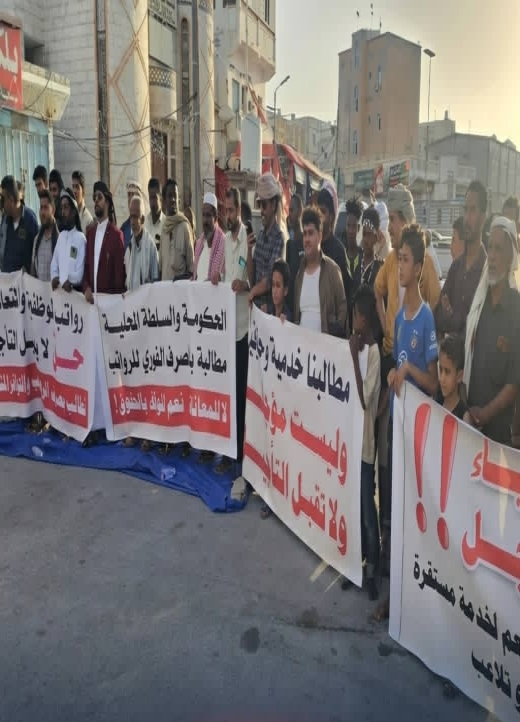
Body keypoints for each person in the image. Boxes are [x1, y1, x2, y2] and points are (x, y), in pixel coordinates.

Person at [374, 185, 440, 574]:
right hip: (399, 421)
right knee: (393, 492)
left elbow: (431, 382)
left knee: (415, 499)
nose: (399, 266)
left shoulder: (426, 317)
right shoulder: (398, 319)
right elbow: (397, 363)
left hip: (419, 428)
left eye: (405, 260)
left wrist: (408, 372)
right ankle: (392, 565)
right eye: (398, 259)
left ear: (419, 268)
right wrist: (393, 376)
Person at [464, 216, 520, 446]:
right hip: (470, 426)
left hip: (498, 437)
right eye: (491, 248)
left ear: (511, 256)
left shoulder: (516, 309)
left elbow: (513, 384)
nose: (493, 256)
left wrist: (484, 414)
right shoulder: (479, 305)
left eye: (499, 249)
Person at [214, 187, 249, 480]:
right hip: (226, 328)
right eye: (225, 210)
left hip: (243, 329)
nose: (228, 214)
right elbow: (226, 277)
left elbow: (250, 278)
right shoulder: (225, 240)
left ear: (239, 209)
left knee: (241, 395)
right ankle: (230, 452)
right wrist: (218, 279)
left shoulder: (248, 239)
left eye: (231, 210)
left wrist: (244, 284)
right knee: (229, 394)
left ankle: (240, 456)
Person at [349, 285, 381, 601]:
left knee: (367, 510)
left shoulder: (372, 355)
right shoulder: (359, 347)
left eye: (356, 316)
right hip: (351, 442)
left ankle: (373, 568)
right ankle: (357, 565)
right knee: (356, 508)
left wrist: (351, 355)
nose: (353, 321)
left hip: (365, 446)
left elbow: (363, 398)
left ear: (364, 319)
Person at [258, 258, 292, 521]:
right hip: (267, 389)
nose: (275, 291)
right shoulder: (265, 312)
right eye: (273, 285)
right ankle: (268, 495)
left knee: (283, 447)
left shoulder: (289, 318)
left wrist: (285, 326)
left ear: (286, 290)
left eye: (279, 286)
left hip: (284, 394)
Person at [434, 181, 487, 338]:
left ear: (483, 217)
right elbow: (438, 316)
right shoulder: (456, 267)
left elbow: (480, 329)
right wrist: (448, 315)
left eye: (472, 210)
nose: (466, 218)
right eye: (465, 210)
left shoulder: (487, 271)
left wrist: (452, 317)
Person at [293, 207, 347, 337]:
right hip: (301, 346)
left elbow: (342, 309)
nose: (307, 239)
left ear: (320, 236)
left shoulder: (332, 270)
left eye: (311, 233)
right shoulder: (299, 274)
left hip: (325, 347)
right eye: (305, 234)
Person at [247, 172, 286, 308]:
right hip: (256, 308)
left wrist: (252, 292)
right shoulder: (261, 234)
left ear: (273, 205)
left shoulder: (279, 238)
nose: (261, 210)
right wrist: (249, 250)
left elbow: (270, 279)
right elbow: (252, 277)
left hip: (269, 311)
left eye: (264, 205)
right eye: (259, 204)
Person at [83, 180, 125, 301]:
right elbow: (86, 268)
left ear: (107, 202)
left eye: (99, 197)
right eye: (94, 197)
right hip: (91, 304)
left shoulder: (116, 235)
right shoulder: (90, 233)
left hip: (109, 305)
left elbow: (119, 279)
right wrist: (86, 287)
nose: (96, 200)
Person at [0, 175, 38, 273]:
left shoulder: (30, 220)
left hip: (24, 280)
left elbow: (37, 253)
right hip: (6, 279)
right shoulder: (5, 219)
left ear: (11, 200)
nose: (1, 203)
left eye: (3, 199)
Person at [51, 188, 87, 292]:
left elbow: (80, 274)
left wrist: (68, 279)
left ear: (74, 212)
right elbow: (54, 263)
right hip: (60, 295)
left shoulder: (81, 239)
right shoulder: (61, 236)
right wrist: (54, 276)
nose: (62, 212)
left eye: (66, 208)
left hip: (74, 295)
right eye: (61, 208)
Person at [316, 185, 349, 297]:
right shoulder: (312, 246)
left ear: (331, 216)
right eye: (317, 211)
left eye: (323, 212)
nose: (319, 217)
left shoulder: (338, 251)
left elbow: (344, 294)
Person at [159, 178, 194, 282]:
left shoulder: (184, 227)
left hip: (180, 290)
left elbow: (192, 270)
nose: (173, 199)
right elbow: (161, 268)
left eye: (175, 196)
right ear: (164, 201)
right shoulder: (164, 229)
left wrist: (179, 280)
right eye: (170, 196)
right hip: (165, 289)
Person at [124, 195, 159, 291]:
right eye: (131, 217)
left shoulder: (151, 247)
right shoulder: (129, 247)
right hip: (131, 299)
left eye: (135, 217)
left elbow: (155, 283)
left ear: (142, 219)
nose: (132, 222)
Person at [436, 334, 471, 423]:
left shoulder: (464, 419)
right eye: (440, 369)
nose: (442, 379)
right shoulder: (435, 402)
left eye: (447, 372)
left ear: (459, 376)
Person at [193, 192, 226, 283]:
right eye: (203, 215)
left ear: (216, 218)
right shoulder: (199, 243)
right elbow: (195, 276)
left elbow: (224, 277)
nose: (205, 220)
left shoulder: (224, 243)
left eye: (208, 215)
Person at [31, 190, 59, 282]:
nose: (42, 212)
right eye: (41, 208)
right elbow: (33, 272)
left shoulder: (60, 240)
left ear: (53, 210)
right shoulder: (37, 240)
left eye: (46, 207)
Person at [286, 193, 304, 312]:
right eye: (289, 210)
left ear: (300, 211)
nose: (289, 214)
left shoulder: (306, 241)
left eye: (292, 210)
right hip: (289, 302)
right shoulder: (288, 241)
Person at [121, 181, 145, 250]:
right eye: (129, 194)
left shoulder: (147, 224)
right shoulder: (124, 228)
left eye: (133, 194)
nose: (130, 198)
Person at [145, 178, 164, 251]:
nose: (152, 203)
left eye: (154, 198)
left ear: (161, 198)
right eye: (150, 198)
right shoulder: (144, 224)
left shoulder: (167, 225)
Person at [72, 170, 94, 235]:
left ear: (83, 190)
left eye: (77, 187)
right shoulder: (70, 214)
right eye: (73, 186)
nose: (74, 191)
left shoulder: (88, 219)